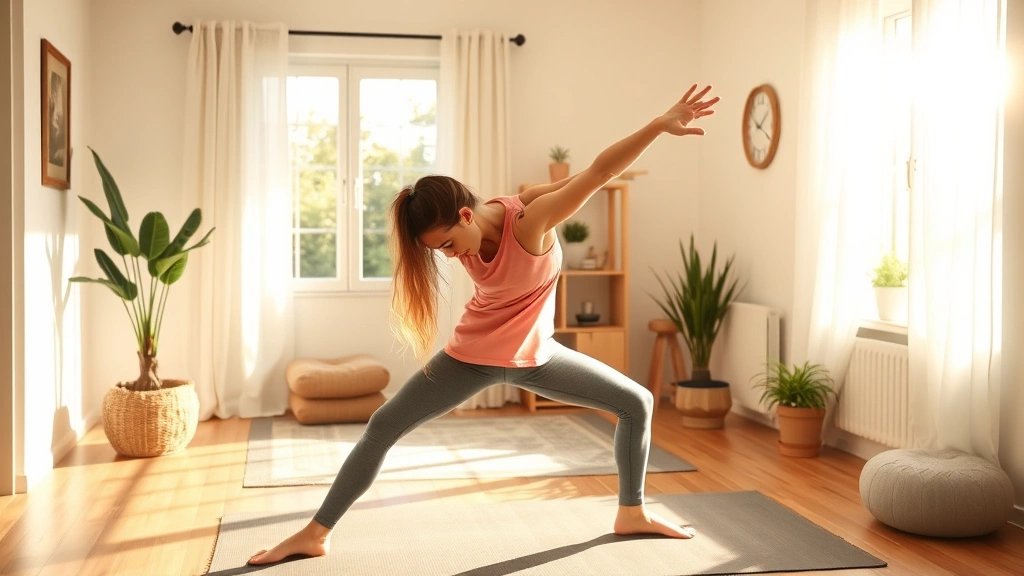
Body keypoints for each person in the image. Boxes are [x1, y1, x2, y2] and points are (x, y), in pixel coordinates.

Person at [249, 84, 719, 566]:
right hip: (469, 359)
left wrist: (660, 125)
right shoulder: (486, 225)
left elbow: (600, 172)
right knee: (383, 426)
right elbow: (592, 174)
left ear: (467, 214)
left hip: (537, 357)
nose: (452, 257)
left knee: (636, 402)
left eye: (450, 244)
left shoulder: (533, 220)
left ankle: (631, 512)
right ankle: (315, 532)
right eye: (442, 252)